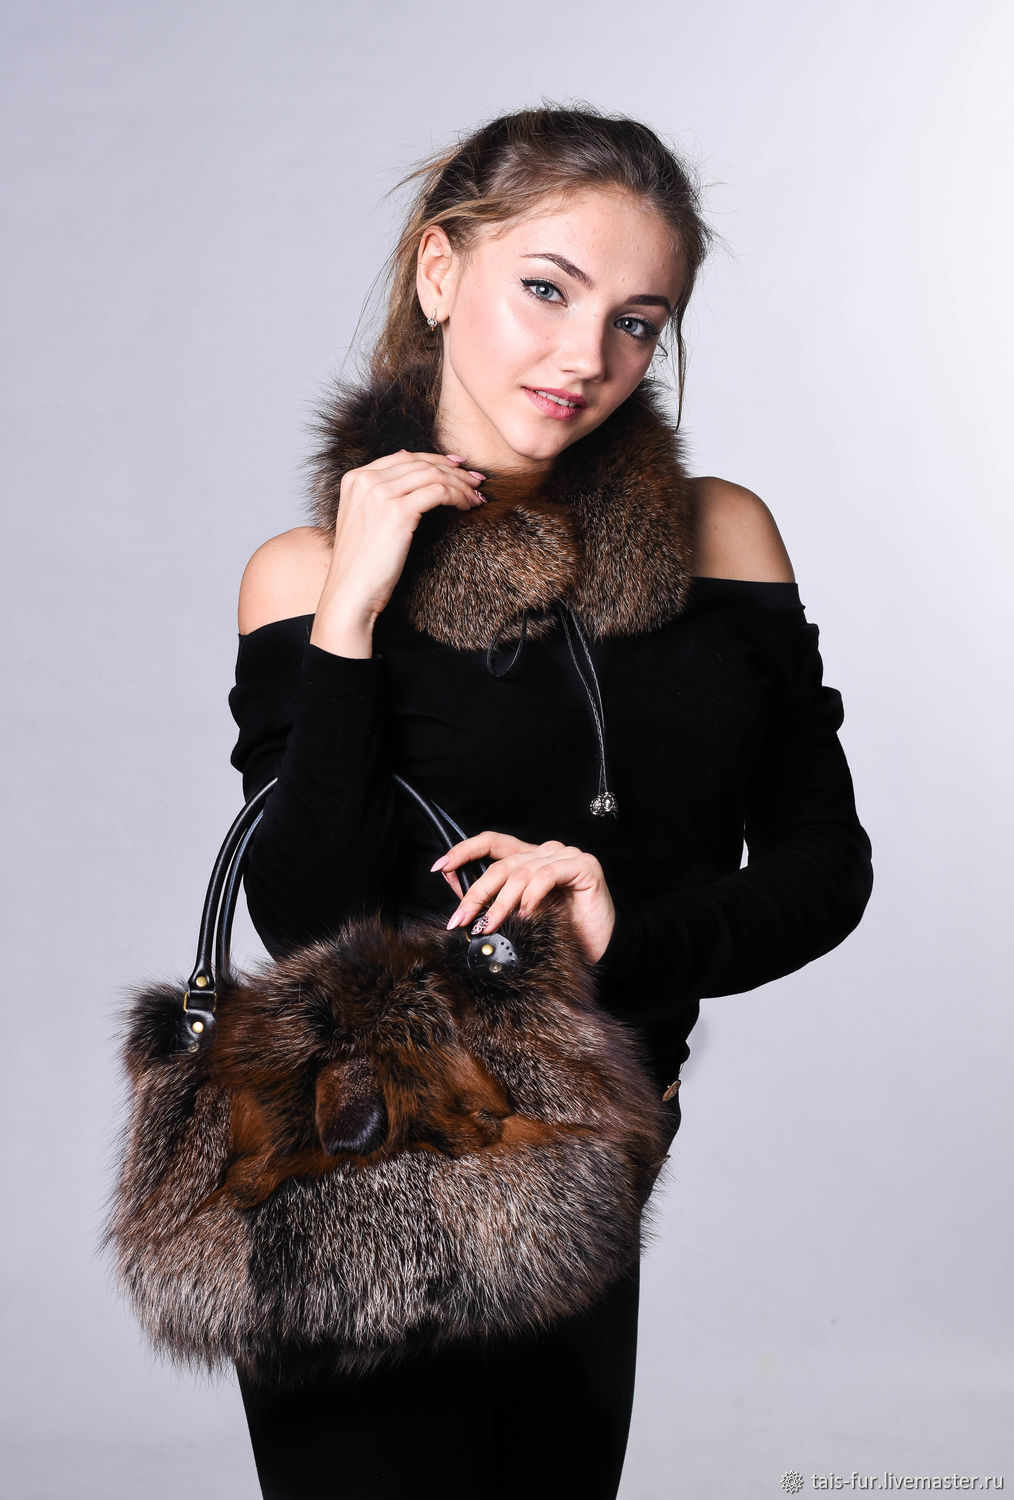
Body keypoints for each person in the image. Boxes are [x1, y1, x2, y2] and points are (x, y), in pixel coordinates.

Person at [226, 104, 874, 1500]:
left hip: (588, 1171)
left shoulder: (721, 538)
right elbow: (303, 913)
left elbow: (825, 866)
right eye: (546, 289)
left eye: (638, 321)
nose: (587, 357)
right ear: (438, 270)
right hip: (358, 1176)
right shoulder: (308, 572)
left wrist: (622, 935)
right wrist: (350, 613)